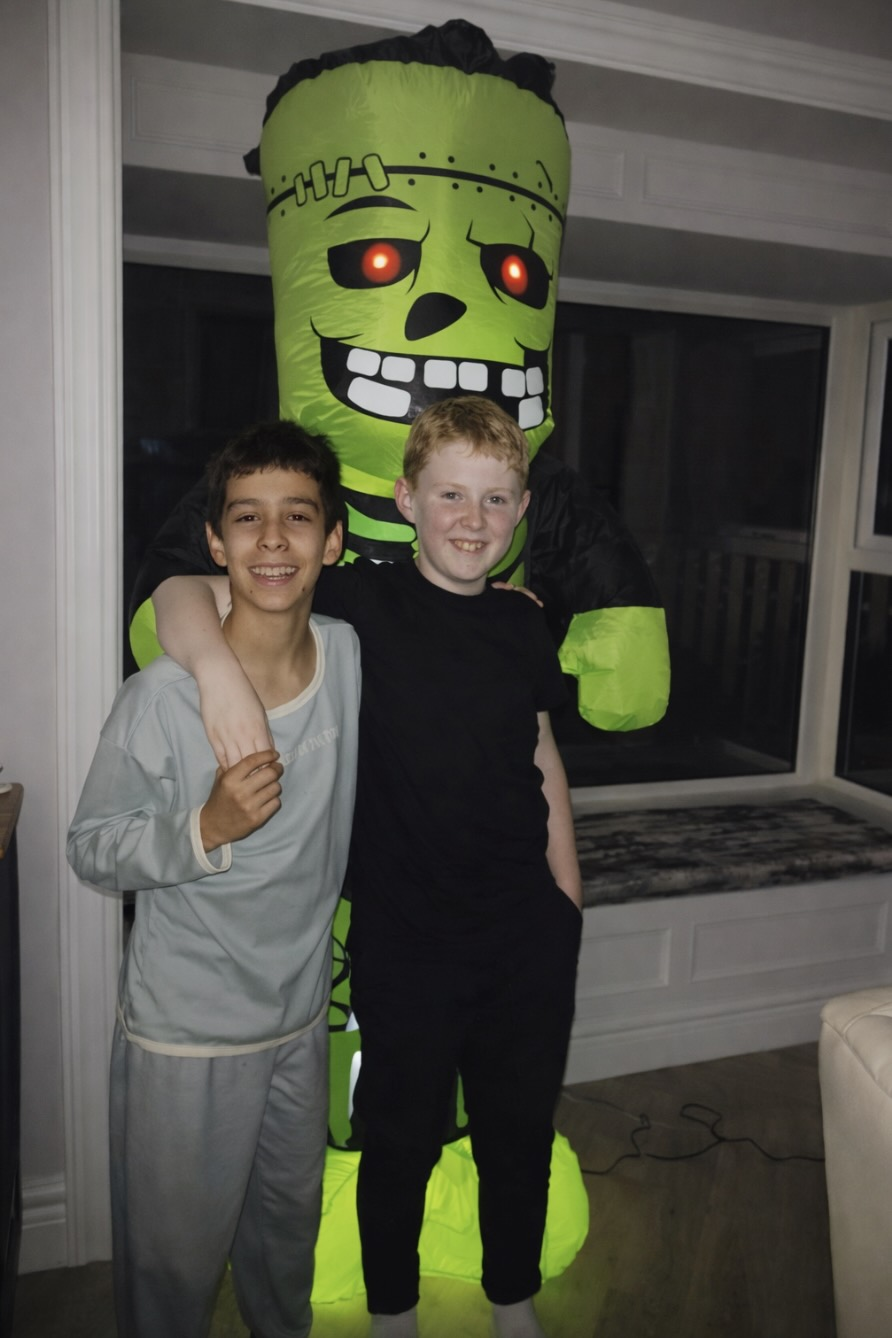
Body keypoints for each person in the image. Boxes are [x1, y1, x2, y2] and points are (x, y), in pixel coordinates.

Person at [151, 396, 583, 1338]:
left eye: (496, 499)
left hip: (527, 934)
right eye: (451, 495)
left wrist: (568, 899)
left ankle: (513, 1297)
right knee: (400, 1137)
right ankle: (394, 1311)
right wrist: (218, 676)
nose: (472, 518)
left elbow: (541, 754)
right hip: (408, 938)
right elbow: (179, 594)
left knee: (518, 1132)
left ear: (520, 512)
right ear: (407, 499)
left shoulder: (523, 625)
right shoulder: (359, 605)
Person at [67, 422, 361, 1338]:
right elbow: (92, 846)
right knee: (172, 1268)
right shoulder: (160, 697)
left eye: (298, 517)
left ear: (333, 540)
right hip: (186, 1036)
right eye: (247, 518)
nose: (272, 539)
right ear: (214, 543)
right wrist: (205, 828)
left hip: (300, 1022)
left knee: (285, 1246)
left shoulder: (350, 656)